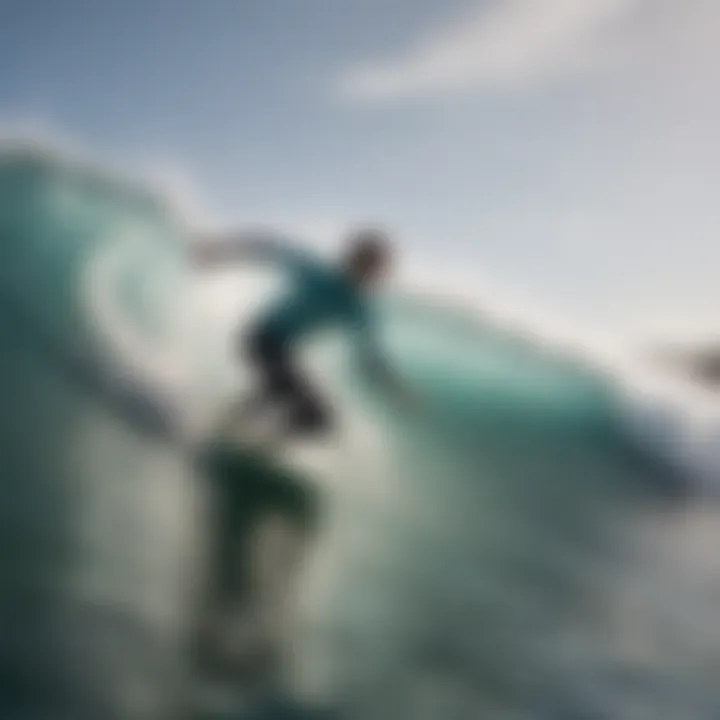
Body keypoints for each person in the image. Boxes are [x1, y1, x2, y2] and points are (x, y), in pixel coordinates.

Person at [192, 226, 419, 445]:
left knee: (315, 418)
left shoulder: (357, 307)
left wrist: (397, 389)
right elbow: (267, 247)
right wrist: (219, 251)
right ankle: (231, 435)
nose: (369, 272)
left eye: (375, 268)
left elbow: (370, 358)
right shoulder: (318, 272)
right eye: (366, 262)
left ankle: (243, 438)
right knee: (289, 397)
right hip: (261, 336)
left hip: (282, 349)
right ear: (352, 257)